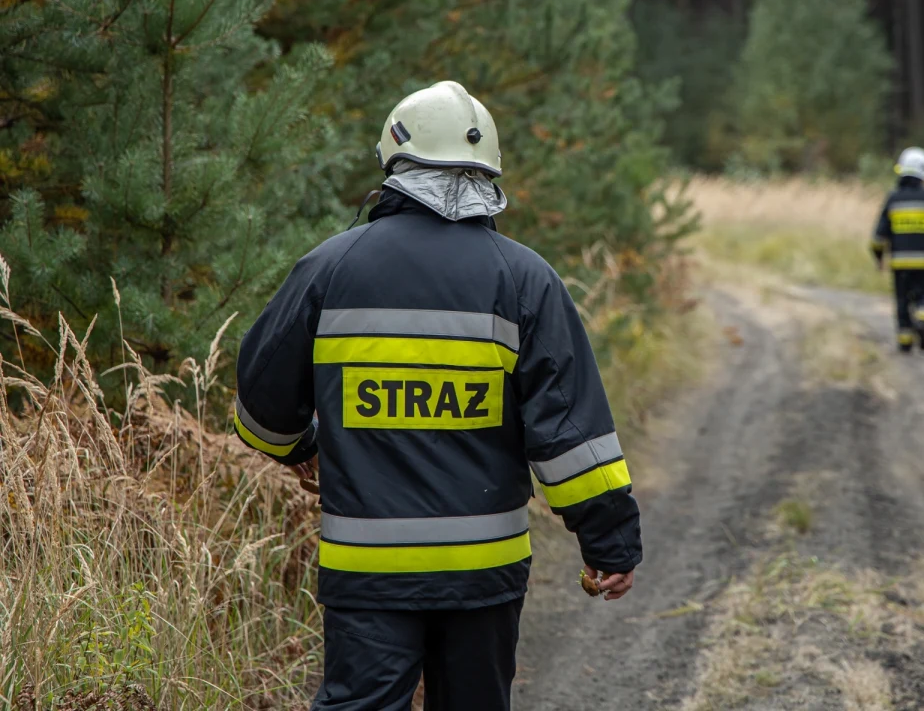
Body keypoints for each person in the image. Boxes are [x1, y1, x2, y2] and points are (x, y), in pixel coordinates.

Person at [232, 81, 643, 711]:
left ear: (395, 163)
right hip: (485, 573)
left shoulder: (329, 268)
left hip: (367, 570)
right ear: (487, 173)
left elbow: (261, 412)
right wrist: (609, 543)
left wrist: (301, 449)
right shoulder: (525, 279)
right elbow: (571, 436)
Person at [870, 146, 924, 353]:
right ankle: (923, 320)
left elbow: (879, 236)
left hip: (899, 263)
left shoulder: (893, 198)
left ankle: (905, 342)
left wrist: (878, 258)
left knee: (902, 301)